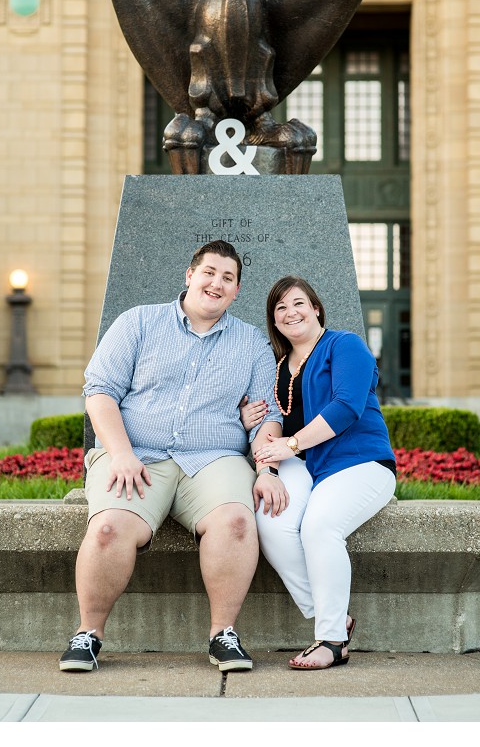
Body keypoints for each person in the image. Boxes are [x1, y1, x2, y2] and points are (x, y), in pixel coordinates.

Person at [62, 240, 283, 673]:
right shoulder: (138, 323)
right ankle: (88, 634)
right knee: (108, 528)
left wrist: (267, 468)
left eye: (228, 278)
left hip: (212, 459)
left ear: (237, 291)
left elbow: (266, 415)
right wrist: (120, 454)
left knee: (237, 521)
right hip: (137, 455)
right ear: (189, 275)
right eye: (209, 273)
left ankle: (224, 635)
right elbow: (100, 391)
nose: (216, 283)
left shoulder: (252, 344)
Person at [244, 275, 398, 669]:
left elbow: (347, 406)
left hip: (360, 462)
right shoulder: (277, 366)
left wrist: (292, 445)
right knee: (271, 520)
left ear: (316, 308)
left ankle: (330, 640)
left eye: (298, 303)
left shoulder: (344, 345)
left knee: (319, 527)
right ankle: (335, 617)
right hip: (309, 465)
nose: (290, 312)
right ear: (274, 322)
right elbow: (270, 422)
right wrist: (265, 459)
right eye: (280, 308)